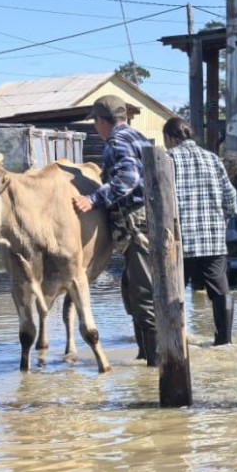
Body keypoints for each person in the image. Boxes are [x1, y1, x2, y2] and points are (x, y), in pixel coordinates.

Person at [71, 95, 157, 364]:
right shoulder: (137, 136)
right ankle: (145, 357)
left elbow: (128, 177)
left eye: (95, 122)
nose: (96, 127)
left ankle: (155, 364)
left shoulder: (116, 141)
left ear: (100, 120)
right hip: (148, 220)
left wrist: (93, 199)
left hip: (135, 223)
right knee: (133, 291)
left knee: (143, 294)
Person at [163, 116, 237, 345]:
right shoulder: (212, 159)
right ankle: (224, 343)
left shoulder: (167, 158)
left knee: (173, 292)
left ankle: (174, 342)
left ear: (169, 138)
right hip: (212, 239)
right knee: (220, 290)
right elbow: (231, 198)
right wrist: (220, 223)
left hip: (179, 241)